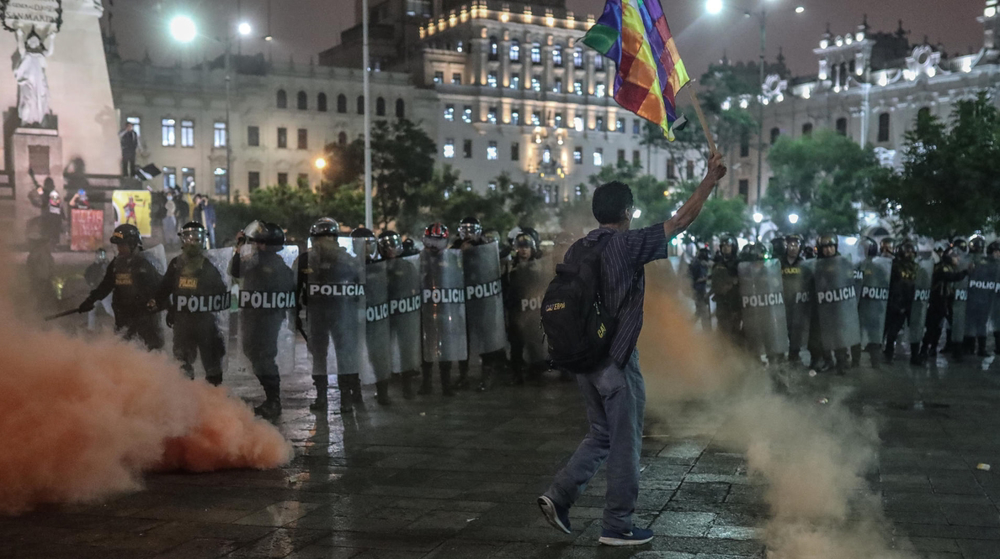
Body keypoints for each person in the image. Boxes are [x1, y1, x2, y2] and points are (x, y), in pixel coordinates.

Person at [537, 152, 726, 547]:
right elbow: (680, 222)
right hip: (615, 362)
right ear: (627, 211)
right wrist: (709, 180)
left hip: (582, 360)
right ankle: (617, 525)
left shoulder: (578, 248)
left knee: (601, 434)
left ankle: (559, 496)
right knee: (625, 441)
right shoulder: (626, 244)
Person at [298, 217, 366, 413]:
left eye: (328, 238)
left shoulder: (348, 260)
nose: (324, 242)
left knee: (345, 355)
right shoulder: (306, 260)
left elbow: (359, 288)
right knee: (319, 356)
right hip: (317, 314)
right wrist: (293, 312)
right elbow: (295, 287)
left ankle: (346, 396)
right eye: (321, 238)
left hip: (341, 314)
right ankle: (321, 396)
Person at [231, 221, 295, 419]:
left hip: (266, 319)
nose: (255, 245)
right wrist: (239, 248)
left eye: (258, 242)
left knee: (264, 357)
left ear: (265, 244)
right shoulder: (257, 261)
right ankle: (271, 398)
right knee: (254, 354)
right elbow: (235, 270)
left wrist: (240, 247)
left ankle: (273, 401)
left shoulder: (273, 265)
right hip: (254, 316)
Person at [150, 222, 228, 384]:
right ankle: (187, 398)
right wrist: (159, 302)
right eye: (188, 239)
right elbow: (165, 287)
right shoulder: (177, 264)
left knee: (212, 362)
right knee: (182, 363)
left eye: (196, 239)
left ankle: (214, 400)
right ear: (183, 240)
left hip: (205, 322)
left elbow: (221, 291)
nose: (192, 243)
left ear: (202, 240)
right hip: (183, 322)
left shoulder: (209, 264)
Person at [78, 225, 164, 349]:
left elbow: (162, 290)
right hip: (123, 320)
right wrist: (90, 301)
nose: (119, 249)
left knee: (149, 357)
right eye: (118, 245)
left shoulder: (148, 263)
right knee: (124, 354)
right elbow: (105, 286)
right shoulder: (116, 264)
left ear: (133, 244)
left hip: (146, 322)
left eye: (122, 245)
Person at [453, 216, 506, 392]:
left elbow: (501, 255)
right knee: (464, 341)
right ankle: (463, 376)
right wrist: (460, 253)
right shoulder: (455, 247)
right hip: (464, 302)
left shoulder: (487, 246)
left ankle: (487, 376)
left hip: (484, 301)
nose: (468, 234)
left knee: (487, 340)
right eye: (465, 230)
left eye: (472, 230)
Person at [380, 230, 420, 400]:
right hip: (384, 314)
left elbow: (415, 286)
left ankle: (407, 386)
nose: (391, 249)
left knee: (406, 350)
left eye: (393, 245)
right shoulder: (377, 266)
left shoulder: (407, 266)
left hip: (403, 312)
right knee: (381, 351)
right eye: (386, 245)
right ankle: (382, 391)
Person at [506, 232, 548, 385]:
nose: (524, 251)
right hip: (517, 310)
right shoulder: (510, 267)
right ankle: (517, 373)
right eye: (520, 247)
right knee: (516, 342)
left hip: (533, 309)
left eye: (527, 247)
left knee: (535, 341)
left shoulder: (538, 266)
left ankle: (536, 370)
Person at [921, 247, 967, 359]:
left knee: (953, 325)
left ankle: (956, 350)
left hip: (948, 300)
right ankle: (925, 350)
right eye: (955, 257)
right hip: (938, 300)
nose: (958, 259)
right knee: (933, 327)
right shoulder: (942, 268)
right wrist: (965, 272)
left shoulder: (952, 268)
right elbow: (951, 277)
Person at [883, 240, 918, 364]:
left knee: (915, 330)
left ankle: (915, 355)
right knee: (893, 330)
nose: (910, 254)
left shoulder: (915, 266)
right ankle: (888, 353)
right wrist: (896, 303)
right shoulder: (895, 266)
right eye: (907, 252)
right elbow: (893, 285)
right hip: (899, 302)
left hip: (912, 303)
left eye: (911, 252)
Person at [780, 235, 808, 364]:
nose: (793, 248)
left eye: (795, 245)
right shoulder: (778, 263)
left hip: (798, 302)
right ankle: (779, 355)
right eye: (790, 245)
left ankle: (794, 355)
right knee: (781, 329)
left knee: (796, 330)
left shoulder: (804, 264)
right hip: (781, 302)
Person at [710, 235, 741, 342]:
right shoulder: (718, 263)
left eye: (728, 245)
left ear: (733, 247)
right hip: (721, 302)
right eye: (723, 246)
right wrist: (708, 294)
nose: (725, 248)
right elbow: (714, 281)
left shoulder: (739, 263)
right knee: (722, 329)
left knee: (734, 329)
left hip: (734, 302)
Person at [688, 247, 712, 331]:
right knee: (703, 311)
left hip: (701, 290)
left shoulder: (700, 263)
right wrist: (704, 279)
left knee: (699, 312)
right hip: (698, 291)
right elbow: (695, 279)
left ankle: (686, 327)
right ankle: (707, 331)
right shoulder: (697, 264)